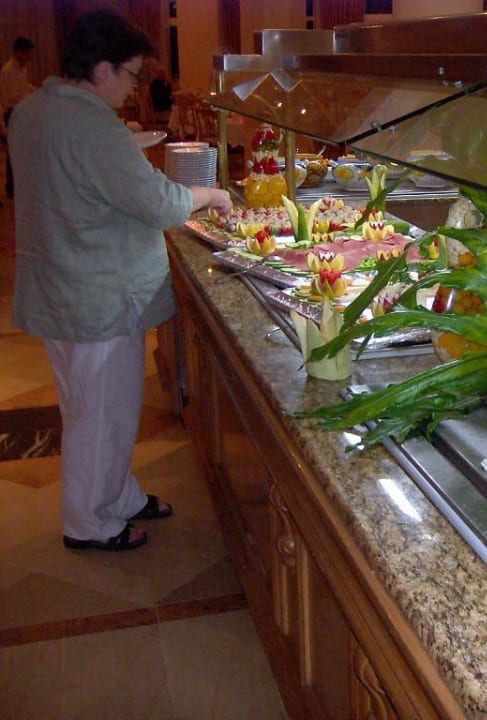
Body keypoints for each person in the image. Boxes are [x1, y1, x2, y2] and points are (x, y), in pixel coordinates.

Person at [8, 10, 233, 551]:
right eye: (131, 74)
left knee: (86, 407)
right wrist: (210, 195)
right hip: (97, 294)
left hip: (58, 286)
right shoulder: (94, 127)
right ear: (102, 68)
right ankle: (89, 523)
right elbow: (157, 203)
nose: (134, 86)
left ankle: (117, 495)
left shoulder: (32, 110)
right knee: (101, 415)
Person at [0, 37, 35, 198]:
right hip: (12, 113)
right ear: (18, 52)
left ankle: (20, 184)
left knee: (22, 150)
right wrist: (32, 97)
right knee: (13, 152)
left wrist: (37, 90)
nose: (29, 58)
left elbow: (25, 86)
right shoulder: (7, 71)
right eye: (27, 54)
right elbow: (14, 96)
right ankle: (11, 187)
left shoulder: (22, 68)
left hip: (21, 113)